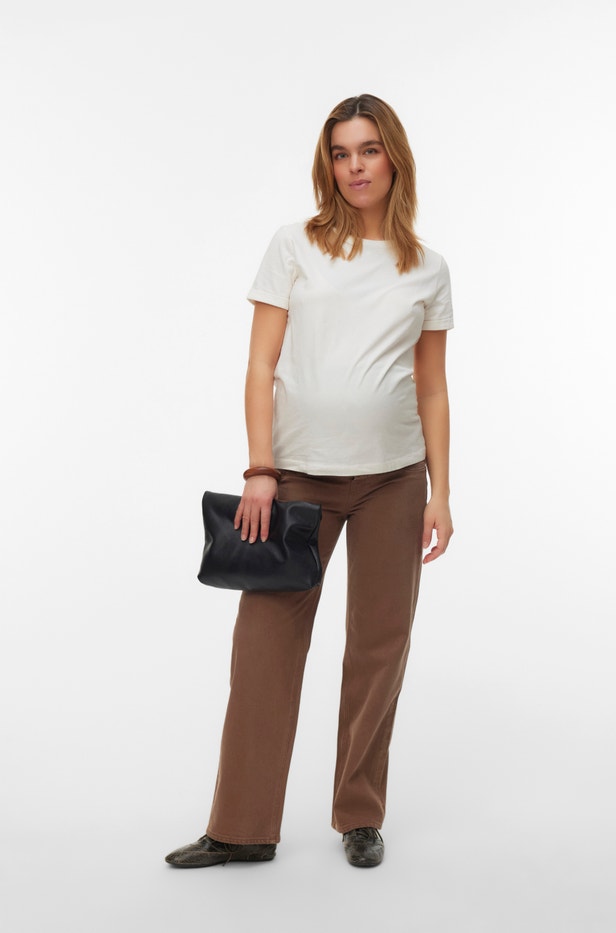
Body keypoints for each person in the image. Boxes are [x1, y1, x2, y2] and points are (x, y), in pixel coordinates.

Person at [165, 93, 454, 870]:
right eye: (340, 152)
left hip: (395, 480)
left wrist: (441, 491)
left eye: (368, 149)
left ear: (393, 157)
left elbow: (432, 387)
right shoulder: (294, 245)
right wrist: (260, 468)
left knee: (378, 647)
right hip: (296, 480)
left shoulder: (427, 268)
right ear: (329, 164)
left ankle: (360, 814)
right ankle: (240, 826)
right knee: (265, 646)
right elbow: (260, 364)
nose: (354, 166)